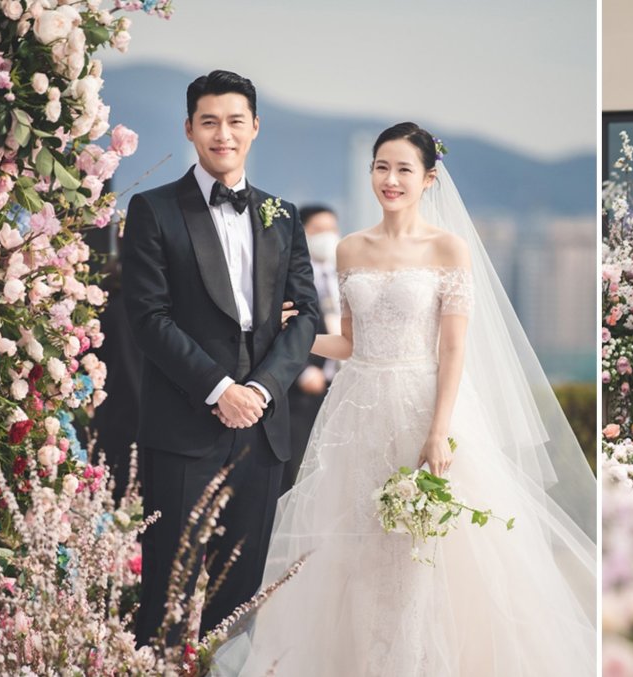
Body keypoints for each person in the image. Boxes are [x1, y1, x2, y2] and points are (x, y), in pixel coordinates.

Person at [213, 123, 596, 676]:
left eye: (403, 169)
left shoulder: (448, 248)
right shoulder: (349, 248)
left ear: (428, 179)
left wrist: (439, 430)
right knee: (359, 548)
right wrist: (284, 336)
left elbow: (454, 346)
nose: (389, 180)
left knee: (427, 552)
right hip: (357, 409)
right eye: (381, 167)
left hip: (423, 407)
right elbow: (348, 342)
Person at [121, 70, 320, 646]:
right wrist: (219, 389)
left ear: (254, 127)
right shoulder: (153, 210)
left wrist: (258, 391)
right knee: (167, 591)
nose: (223, 134)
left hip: (262, 436)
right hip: (184, 428)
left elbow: (306, 316)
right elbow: (149, 318)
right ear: (189, 129)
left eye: (235, 121)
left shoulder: (282, 215)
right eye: (209, 122)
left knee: (240, 602)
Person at [282, 204, 341, 493]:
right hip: (302, 393)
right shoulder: (289, 277)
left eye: (332, 230)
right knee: (299, 472)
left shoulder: (344, 275)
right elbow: (282, 330)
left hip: (341, 388)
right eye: (318, 231)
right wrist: (303, 372)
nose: (327, 237)